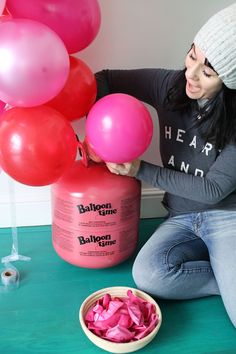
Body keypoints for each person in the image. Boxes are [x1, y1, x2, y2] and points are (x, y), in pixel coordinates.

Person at [92, 3, 236, 327]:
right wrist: (97, 134)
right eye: (192, 55)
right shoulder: (171, 86)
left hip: (227, 216)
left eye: (208, 72)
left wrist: (140, 169)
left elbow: (213, 190)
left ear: (230, 81)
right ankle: (222, 282)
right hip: (182, 218)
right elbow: (105, 80)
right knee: (148, 275)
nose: (191, 75)